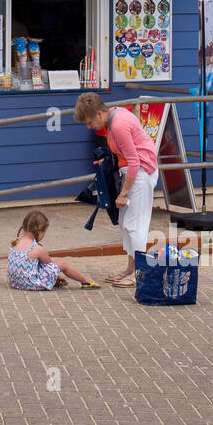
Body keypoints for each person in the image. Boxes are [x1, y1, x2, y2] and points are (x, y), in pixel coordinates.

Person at [74, 92, 159, 288]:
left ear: (99, 114)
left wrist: (124, 193)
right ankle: (132, 268)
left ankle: (140, 273)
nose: (89, 127)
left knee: (134, 223)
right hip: (135, 170)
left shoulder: (118, 125)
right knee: (124, 221)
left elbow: (134, 161)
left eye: (89, 122)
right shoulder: (115, 118)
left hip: (140, 171)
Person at [7, 210, 100, 290]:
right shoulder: (38, 249)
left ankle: (60, 281)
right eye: (44, 232)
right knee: (63, 263)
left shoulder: (16, 242)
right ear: (39, 232)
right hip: (31, 284)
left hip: (16, 283)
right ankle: (85, 281)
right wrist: (56, 276)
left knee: (40, 264)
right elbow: (51, 266)